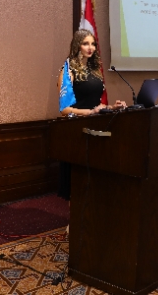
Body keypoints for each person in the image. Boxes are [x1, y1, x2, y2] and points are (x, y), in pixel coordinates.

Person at [56, 29, 126, 202]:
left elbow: (95, 104)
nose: (90, 48)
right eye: (85, 43)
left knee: (94, 182)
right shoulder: (68, 70)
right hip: (77, 129)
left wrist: (111, 107)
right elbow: (64, 109)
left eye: (93, 44)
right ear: (77, 46)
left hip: (96, 128)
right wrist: (90, 112)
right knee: (78, 184)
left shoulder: (95, 71)